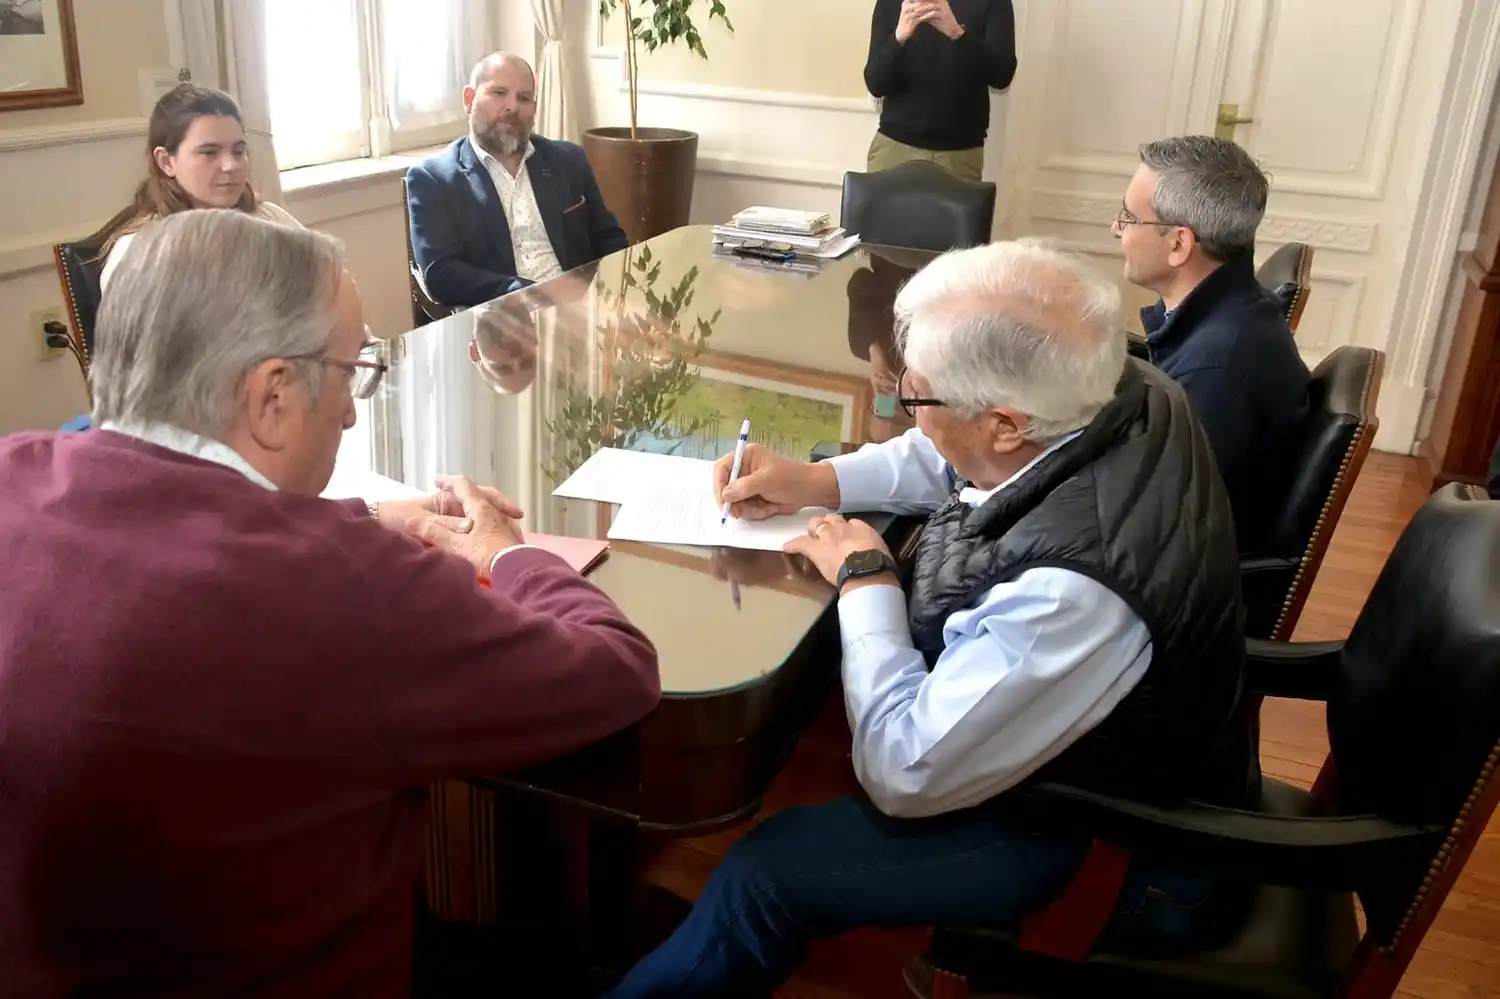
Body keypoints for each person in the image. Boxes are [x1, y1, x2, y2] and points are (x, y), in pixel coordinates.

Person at [0, 210, 661, 998]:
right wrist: (501, 551)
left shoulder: (13, 470)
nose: (352, 411)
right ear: (273, 395)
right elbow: (617, 670)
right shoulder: (349, 588)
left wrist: (371, 518)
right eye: (353, 374)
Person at [605, 240, 1255, 998]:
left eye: (919, 398)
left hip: (1112, 847)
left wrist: (868, 576)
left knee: (771, 868)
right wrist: (818, 479)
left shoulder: (1071, 592)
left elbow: (903, 771)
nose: (908, 412)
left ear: (1006, 424)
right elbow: (952, 455)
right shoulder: (1112, 388)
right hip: (1091, 754)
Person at [1113, 135, 1310, 552]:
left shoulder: (1215, 371)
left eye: (1128, 218)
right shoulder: (1231, 314)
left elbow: (1153, 520)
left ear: (1179, 244)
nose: (1116, 229)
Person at [406, 52, 629, 309]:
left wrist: (609, 296)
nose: (512, 106)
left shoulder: (568, 159)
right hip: (501, 322)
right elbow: (440, 273)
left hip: (585, 311)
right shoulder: (433, 178)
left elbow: (611, 239)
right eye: (498, 93)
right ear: (469, 99)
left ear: (534, 109)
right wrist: (522, 292)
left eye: (524, 98)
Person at [98, 83, 300, 293]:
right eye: (209, 152)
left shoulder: (269, 218)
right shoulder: (139, 256)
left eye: (239, 151)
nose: (231, 165)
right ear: (166, 161)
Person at [863, 0, 1017, 181]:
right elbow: (875, 83)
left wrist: (957, 33)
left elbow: (1002, 76)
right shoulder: (892, 3)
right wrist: (899, 37)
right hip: (893, 150)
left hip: (959, 156)